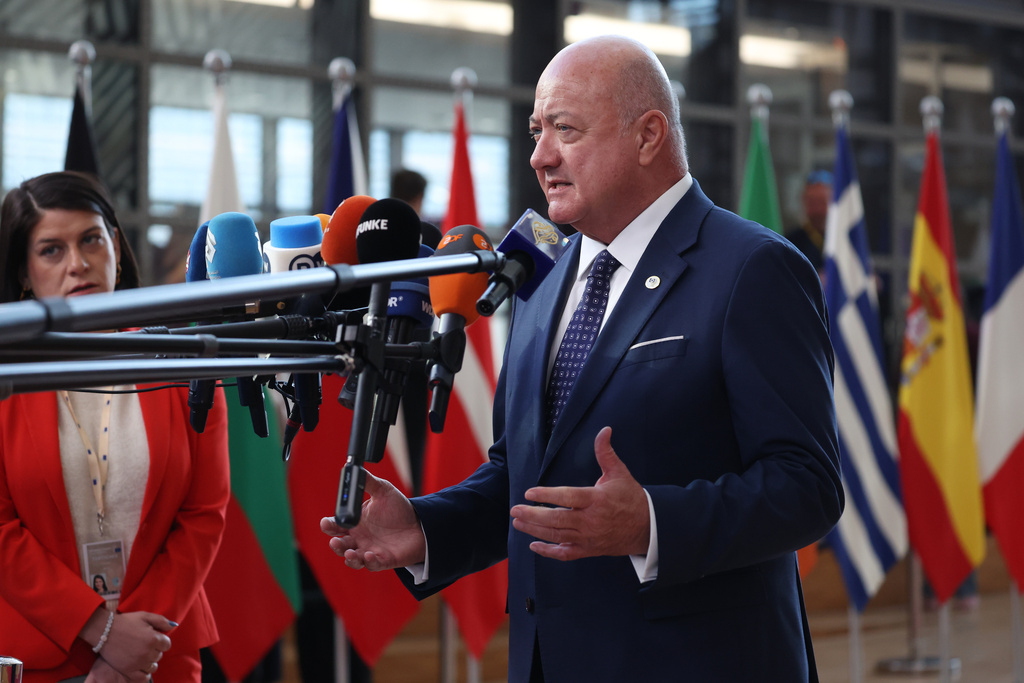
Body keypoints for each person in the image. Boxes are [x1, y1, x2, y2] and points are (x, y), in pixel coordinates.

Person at [322, 36, 842, 682]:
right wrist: (425, 527)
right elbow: (525, 477)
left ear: (649, 135)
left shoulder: (752, 268)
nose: (539, 156)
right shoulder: (539, 275)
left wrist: (651, 521)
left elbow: (808, 485)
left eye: (564, 130)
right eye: (536, 130)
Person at [0, 171, 231, 683]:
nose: (78, 264)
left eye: (90, 240)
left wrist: (130, 648)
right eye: (51, 251)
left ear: (117, 251)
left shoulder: (187, 363)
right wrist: (101, 631)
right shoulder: (5, 376)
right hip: (35, 655)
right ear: (23, 271)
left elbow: (204, 513)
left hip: (157, 651)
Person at [785, 170, 833, 275]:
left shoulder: (846, 237)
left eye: (822, 202)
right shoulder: (790, 243)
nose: (817, 210)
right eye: (812, 202)